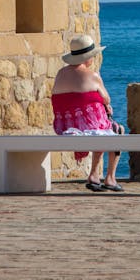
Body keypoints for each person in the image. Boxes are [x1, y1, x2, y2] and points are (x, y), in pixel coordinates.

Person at [51, 34, 125, 192]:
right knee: (116, 130)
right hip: (87, 130)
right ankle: (110, 178)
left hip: (64, 128)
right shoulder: (93, 76)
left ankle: (94, 176)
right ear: (88, 58)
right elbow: (107, 98)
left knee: (101, 130)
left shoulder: (60, 74)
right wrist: (105, 105)